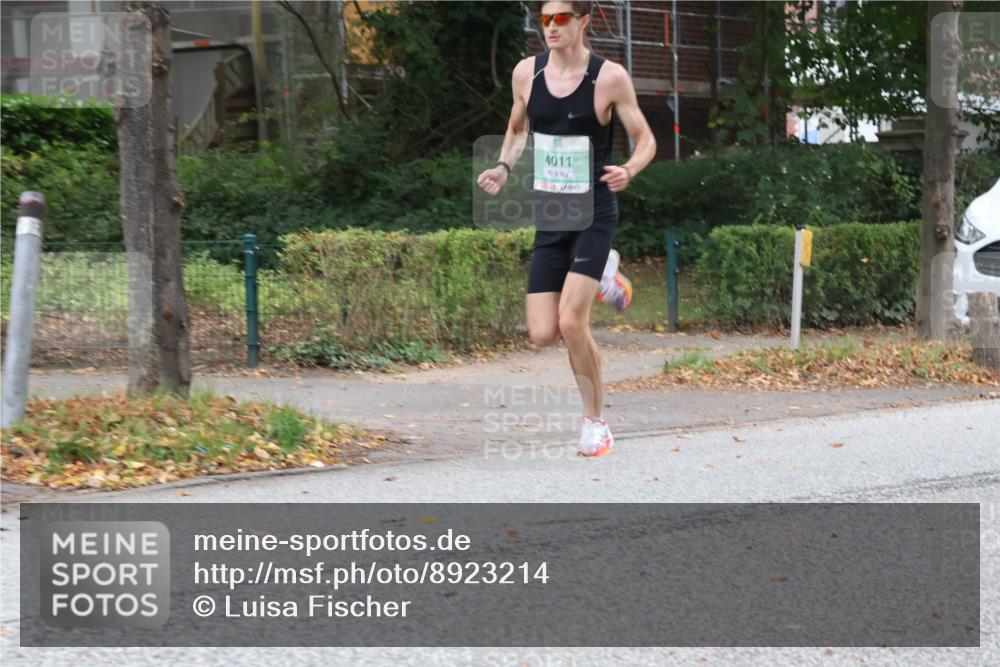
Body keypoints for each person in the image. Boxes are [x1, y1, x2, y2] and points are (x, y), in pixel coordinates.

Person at [476, 1, 656, 457]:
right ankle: (607, 276)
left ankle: (595, 423)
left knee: (572, 323)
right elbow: (517, 129)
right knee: (541, 333)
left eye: (561, 18)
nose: (551, 27)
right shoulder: (526, 74)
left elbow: (646, 138)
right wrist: (503, 166)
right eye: (544, 19)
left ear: (583, 22)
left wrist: (630, 169)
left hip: (594, 212)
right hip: (552, 217)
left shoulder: (608, 78)